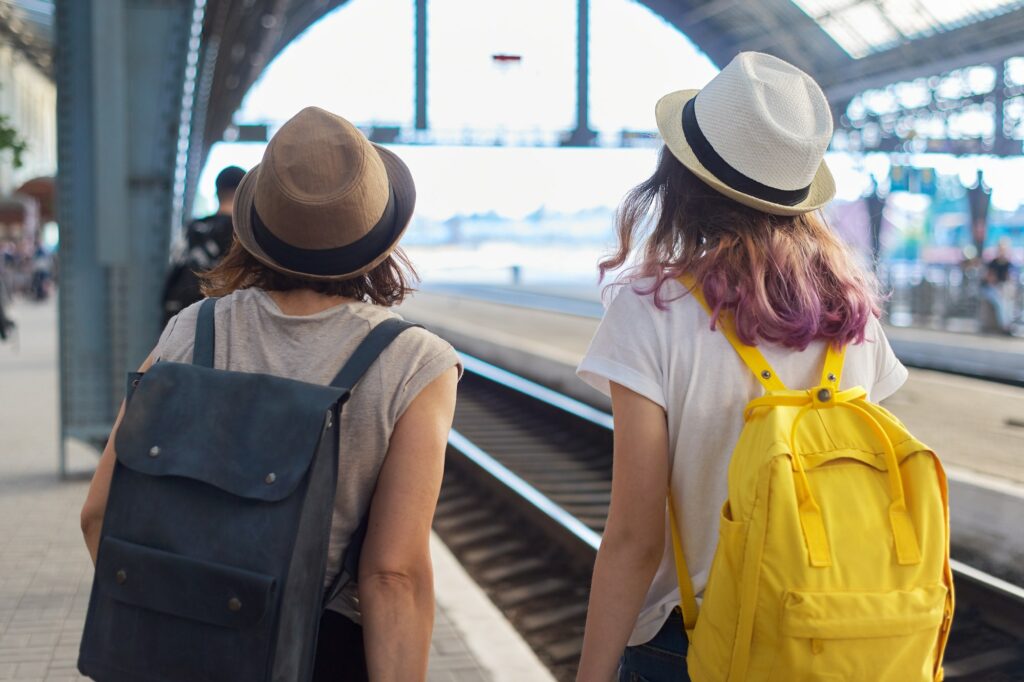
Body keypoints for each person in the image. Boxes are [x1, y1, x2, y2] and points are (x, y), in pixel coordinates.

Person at [80, 107, 461, 681]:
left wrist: (175, 617)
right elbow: (393, 576)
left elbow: (99, 514)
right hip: (322, 651)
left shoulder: (191, 328)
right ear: (379, 233)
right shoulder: (414, 361)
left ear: (259, 227)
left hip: (182, 646)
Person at [575, 52, 908, 682]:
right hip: (830, 643)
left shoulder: (651, 310)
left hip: (694, 646)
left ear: (680, 178)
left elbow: (636, 540)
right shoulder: (852, 315)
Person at [161, 165, 246, 325]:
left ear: (217, 192)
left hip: (178, 318)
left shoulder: (192, 228)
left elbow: (174, 271)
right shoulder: (241, 234)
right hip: (215, 322)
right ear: (244, 195)